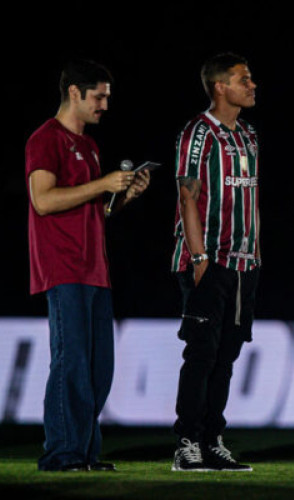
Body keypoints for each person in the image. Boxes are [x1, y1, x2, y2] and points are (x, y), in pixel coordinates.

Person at [26, 59, 150, 472]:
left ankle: (85, 453)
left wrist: (121, 196)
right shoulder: (45, 139)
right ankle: (61, 454)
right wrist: (103, 184)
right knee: (72, 361)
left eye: (107, 97)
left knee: (99, 370)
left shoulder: (90, 146)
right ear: (74, 93)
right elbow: (43, 200)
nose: (104, 106)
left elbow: (89, 208)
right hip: (63, 268)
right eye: (99, 96)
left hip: (94, 268)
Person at [170, 53, 260, 472]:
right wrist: (198, 253)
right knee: (201, 353)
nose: (252, 84)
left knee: (227, 355)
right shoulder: (199, 132)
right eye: (244, 79)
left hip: (245, 264)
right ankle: (187, 443)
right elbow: (187, 195)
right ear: (220, 86)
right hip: (209, 260)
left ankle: (211, 440)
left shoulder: (248, 135)